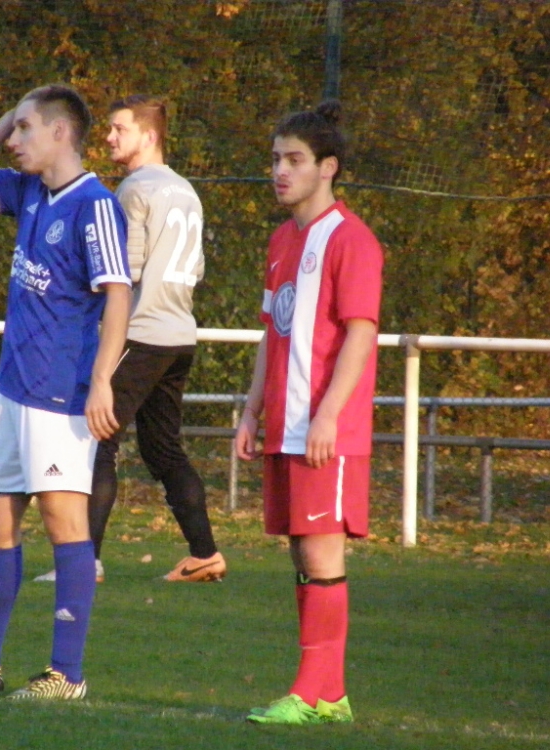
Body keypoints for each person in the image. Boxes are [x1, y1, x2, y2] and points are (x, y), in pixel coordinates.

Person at [0, 84, 132, 701]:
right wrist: (11, 113)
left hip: (62, 393)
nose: (14, 141)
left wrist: (101, 382)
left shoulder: (96, 206)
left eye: (26, 129)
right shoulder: (31, 189)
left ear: (62, 133)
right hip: (15, 387)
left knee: (65, 522)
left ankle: (67, 675)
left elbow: (118, 294)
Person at [33, 95, 225, 585]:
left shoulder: (134, 189)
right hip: (180, 335)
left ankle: (82, 564)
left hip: (140, 334)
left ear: (149, 135)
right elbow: (197, 269)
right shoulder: (187, 191)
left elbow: (125, 270)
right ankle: (204, 553)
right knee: (163, 451)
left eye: (120, 129)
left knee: (94, 442)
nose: (110, 138)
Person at [234, 99, 382, 725]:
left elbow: (360, 333)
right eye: (275, 160)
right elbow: (274, 333)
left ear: (329, 167)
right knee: (302, 553)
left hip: (327, 429)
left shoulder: (352, 240)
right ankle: (327, 694)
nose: (280, 172)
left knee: (322, 555)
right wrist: (248, 413)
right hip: (284, 426)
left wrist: (327, 415)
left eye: (294, 160)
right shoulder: (280, 240)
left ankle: (314, 691)